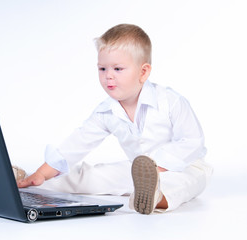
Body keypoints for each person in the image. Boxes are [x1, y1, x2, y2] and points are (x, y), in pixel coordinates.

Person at [15, 23, 213, 214]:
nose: (108, 76)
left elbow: (193, 141)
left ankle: (155, 197)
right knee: (93, 176)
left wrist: (160, 166)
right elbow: (76, 145)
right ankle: (29, 180)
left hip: (184, 167)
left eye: (117, 69)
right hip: (139, 172)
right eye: (102, 69)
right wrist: (41, 172)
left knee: (183, 182)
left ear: (143, 72)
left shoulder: (170, 101)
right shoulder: (106, 112)